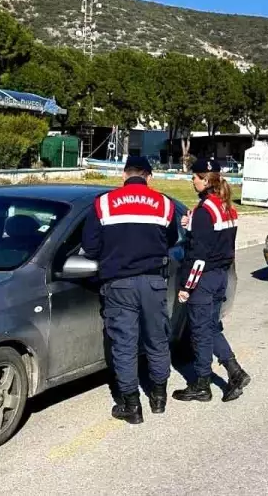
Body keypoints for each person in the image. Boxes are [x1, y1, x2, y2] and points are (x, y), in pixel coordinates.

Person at [82, 156, 175, 424]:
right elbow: (168, 241)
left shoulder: (103, 203)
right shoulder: (165, 204)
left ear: (124, 175)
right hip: (154, 281)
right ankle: (159, 398)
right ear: (149, 177)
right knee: (157, 340)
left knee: (124, 345)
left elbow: (89, 247)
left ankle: (131, 406)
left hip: (119, 283)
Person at [173, 157, 251, 403]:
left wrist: (187, 287)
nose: (192, 181)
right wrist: (191, 225)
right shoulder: (226, 207)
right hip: (220, 276)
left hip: (204, 279)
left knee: (199, 332)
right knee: (211, 327)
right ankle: (235, 372)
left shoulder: (205, 211)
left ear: (205, 180)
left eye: (194, 177)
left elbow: (199, 255)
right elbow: (219, 243)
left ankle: (201, 384)